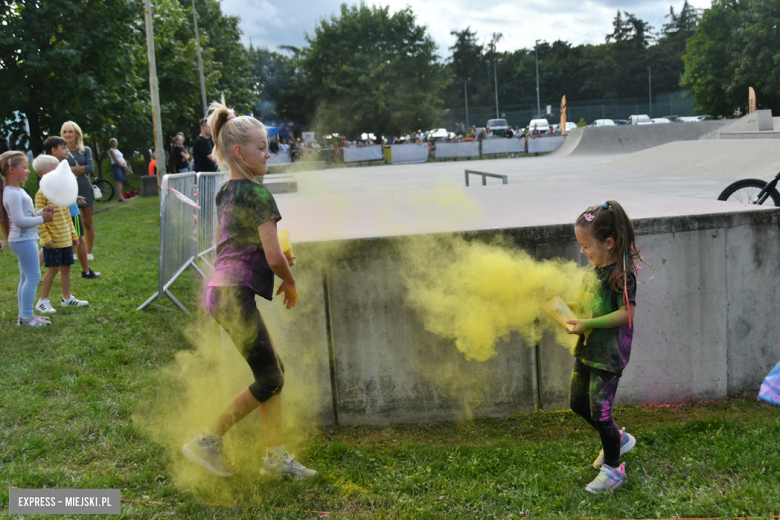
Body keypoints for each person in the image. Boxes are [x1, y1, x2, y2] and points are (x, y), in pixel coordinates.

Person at [181, 98, 316, 480]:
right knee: (271, 378)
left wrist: (274, 256)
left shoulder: (227, 191)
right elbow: (274, 258)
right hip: (233, 296)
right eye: (262, 148)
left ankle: (275, 458)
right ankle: (206, 441)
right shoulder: (259, 196)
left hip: (222, 292)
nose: (269, 154)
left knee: (273, 372)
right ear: (239, 152)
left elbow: (244, 242)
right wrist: (288, 280)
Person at [564, 200, 642, 494]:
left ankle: (614, 468)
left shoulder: (622, 275)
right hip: (587, 350)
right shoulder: (592, 272)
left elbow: (626, 313)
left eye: (586, 246)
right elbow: (587, 308)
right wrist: (565, 309)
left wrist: (589, 324)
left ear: (608, 243)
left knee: (601, 413)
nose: (583, 251)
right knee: (578, 404)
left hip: (608, 356)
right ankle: (618, 440)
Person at [1, 151, 55, 326]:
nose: (28, 171)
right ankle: (26, 317)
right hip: (22, 240)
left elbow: (27, 215)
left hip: (25, 239)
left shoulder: (18, 191)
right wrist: (42, 219)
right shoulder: (12, 193)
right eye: (24, 167)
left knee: (26, 277)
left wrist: (42, 212)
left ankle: (24, 315)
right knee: (32, 276)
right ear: (11, 169)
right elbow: (19, 221)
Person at [31, 155, 89, 314]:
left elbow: (67, 216)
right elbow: (38, 219)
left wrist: (74, 235)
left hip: (65, 240)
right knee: (54, 269)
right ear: (45, 174)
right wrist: (46, 239)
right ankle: (43, 301)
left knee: (66, 269)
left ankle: (67, 298)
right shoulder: (41, 194)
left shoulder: (60, 192)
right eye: (56, 171)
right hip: (53, 241)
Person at [43, 136, 100, 279]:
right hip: (69, 211)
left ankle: (33, 271)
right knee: (80, 239)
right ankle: (86, 271)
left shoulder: (54, 165)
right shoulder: (55, 167)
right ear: (54, 150)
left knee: (57, 241)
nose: (67, 150)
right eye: (64, 148)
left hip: (67, 207)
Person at [61, 121, 96, 261]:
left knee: (87, 222)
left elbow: (90, 168)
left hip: (85, 187)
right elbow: (60, 170)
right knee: (71, 221)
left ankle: (88, 251)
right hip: (68, 189)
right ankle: (73, 252)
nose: (67, 135)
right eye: (65, 132)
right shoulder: (61, 151)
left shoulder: (85, 149)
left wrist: (71, 170)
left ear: (77, 134)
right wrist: (80, 169)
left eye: (70, 131)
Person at [108, 138, 132, 202]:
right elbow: (116, 160)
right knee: (118, 181)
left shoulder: (117, 150)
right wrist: (123, 165)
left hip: (121, 165)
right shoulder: (111, 150)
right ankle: (120, 197)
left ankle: (121, 196)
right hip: (116, 166)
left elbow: (122, 158)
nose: (114, 143)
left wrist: (125, 165)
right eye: (113, 142)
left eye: (115, 142)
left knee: (121, 181)